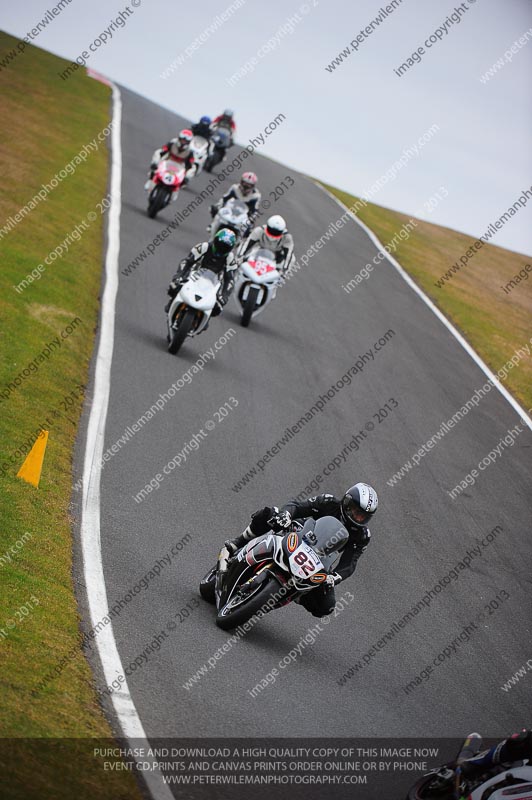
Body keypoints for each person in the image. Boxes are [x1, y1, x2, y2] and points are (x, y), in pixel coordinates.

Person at [219, 483, 378, 617]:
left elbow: (349, 563)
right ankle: (239, 542)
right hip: (298, 535)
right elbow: (298, 506)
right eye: (357, 512)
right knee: (270, 513)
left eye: (363, 516)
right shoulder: (328, 502)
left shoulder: (362, 536)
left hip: (318, 561)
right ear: (347, 503)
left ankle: (297, 595)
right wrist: (286, 514)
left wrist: (335, 577)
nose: (358, 518)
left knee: (327, 606)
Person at [164, 228, 239, 316]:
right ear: (215, 240)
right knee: (174, 287)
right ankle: (172, 301)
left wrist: (224, 296)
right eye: (220, 245)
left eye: (225, 247)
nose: (221, 249)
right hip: (195, 274)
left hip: (213, 282)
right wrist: (178, 277)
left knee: (217, 308)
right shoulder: (204, 247)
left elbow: (230, 279)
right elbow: (187, 261)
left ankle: (205, 317)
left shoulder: (230, 258)